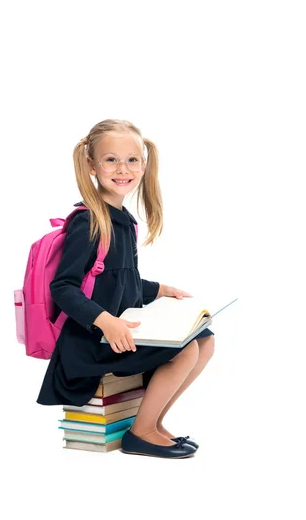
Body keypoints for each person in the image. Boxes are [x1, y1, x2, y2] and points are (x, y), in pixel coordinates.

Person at [37, 118, 215, 458]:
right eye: (111, 160)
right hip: (90, 341)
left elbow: (118, 281)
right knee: (186, 349)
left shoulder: (121, 219)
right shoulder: (89, 220)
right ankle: (141, 432)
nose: (123, 169)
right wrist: (105, 321)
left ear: (144, 164)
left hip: (114, 333)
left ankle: (154, 423)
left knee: (204, 340)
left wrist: (160, 289)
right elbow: (63, 287)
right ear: (91, 165)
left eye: (132, 159)